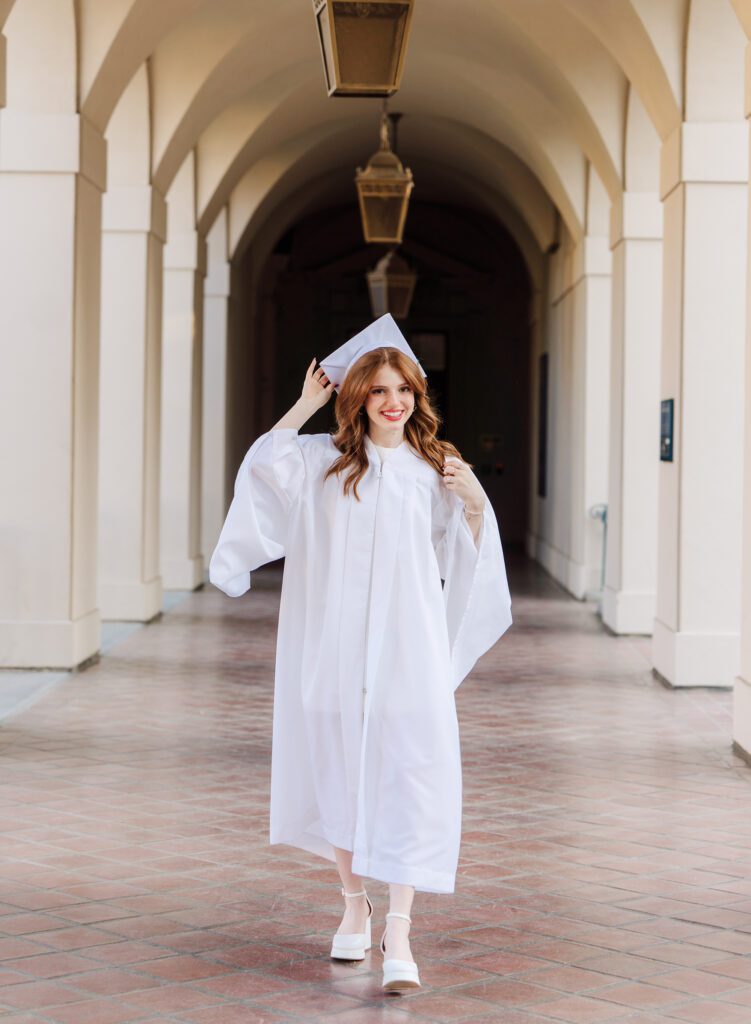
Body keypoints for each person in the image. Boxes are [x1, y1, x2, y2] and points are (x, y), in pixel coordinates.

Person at [210, 314, 512, 992]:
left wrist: (470, 506)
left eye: (401, 389)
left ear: (417, 395)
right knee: (340, 771)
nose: (391, 402)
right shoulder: (323, 463)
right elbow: (262, 467)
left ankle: (398, 926)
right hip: (334, 647)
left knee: (410, 773)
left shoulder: (434, 470)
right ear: (357, 398)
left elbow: (463, 561)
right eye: (376, 390)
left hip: (406, 650)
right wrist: (304, 403)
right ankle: (353, 907)